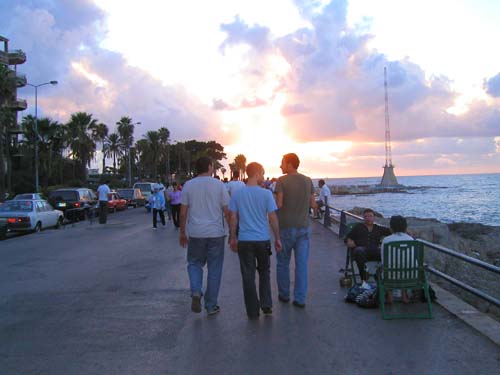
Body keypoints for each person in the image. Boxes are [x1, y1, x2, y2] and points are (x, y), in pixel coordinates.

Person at [229, 162, 282, 319]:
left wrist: (233, 237)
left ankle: (252, 311)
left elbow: (233, 217)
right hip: (262, 240)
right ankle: (266, 305)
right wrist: (277, 238)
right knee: (264, 272)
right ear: (257, 173)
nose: (264, 176)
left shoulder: (237, 194)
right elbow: (272, 217)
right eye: (263, 173)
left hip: (245, 240)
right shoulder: (265, 194)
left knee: (248, 275)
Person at [179, 156, 231, 315]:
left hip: (196, 234)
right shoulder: (218, 185)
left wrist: (182, 233)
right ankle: (211, 305)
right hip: (216, 234)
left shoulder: (188, 185)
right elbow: (227, 211)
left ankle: (196, 290)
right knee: (215, 269)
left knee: (194, 263)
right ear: (209, 167)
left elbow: (182, 213)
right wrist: (232, 232)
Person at [274, 153, 316, 308]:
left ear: (290, 164)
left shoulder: (281, 181)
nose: (280, 166)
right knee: (301, 265)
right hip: (303, 228)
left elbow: (278, 204)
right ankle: (300, 298)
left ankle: (284, 294)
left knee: (283, 263)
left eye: (282, 163)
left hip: (285, 228)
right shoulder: (308, 180)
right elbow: (313, 204)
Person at [345, 208, 392, 282]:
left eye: (370, 216)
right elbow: (348, 237)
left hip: (374, 251)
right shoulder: (358, 227)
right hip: (361, 251)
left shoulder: (378, 228)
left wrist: (405, 231)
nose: (368, 218)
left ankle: (380, 276)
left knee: (387, 253)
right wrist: (349, 241)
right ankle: (364, 278)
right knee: (359, 250)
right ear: (363, 218)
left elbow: (391, 232)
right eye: (366, 216)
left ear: (374, 217)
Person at [381, 215, 414, 303]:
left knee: (387, 268)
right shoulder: (411, 239)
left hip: (391, 277)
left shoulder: (386, 240)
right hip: (411, 276)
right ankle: (404, 296)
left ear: (391, 227)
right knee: (404, 266)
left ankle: (390, 296)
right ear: (405, 227)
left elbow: (383, 260)